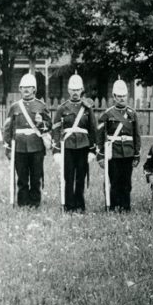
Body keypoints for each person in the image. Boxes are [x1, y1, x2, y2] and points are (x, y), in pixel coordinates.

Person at [4, 73, 52, 208]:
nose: (26, 90)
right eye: (23, 87)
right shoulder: (15, 107)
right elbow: (8, 128)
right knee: (22, 177)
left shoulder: (41, 106)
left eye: (29, 87)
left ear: (34, 89)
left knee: (36, 177)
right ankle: (23, 203)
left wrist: (40, 122)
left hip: (36, 146)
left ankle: (35, 203)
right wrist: (8, 147)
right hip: (19, 147)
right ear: (19, 89)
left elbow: (49, 126)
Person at [51, 74, 96, 212]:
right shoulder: (62, 108)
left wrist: (92, 150)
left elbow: (92, 129)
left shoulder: (87, 108)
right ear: (68, 90)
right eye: (72, 89)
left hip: (83, 146)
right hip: (68, 146)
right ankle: (69, 205)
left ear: (82, 89)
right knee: (68, 177)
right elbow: (56, 130)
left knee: (81, 177)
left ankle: (80, 205)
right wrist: (56, 150)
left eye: (77, 90)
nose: (75, 92)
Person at [95, 79, 141, 212]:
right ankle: (113, 205)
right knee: (114, 181)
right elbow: (100, 136)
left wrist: (136, 154)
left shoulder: (132, 114)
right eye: (119, 96)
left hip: (127, 152)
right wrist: (100, 155)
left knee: (126, 182)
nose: (122, 99)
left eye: (124, 96)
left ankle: (125, 206)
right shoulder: (107, 114)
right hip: (113, 153)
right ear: (114, 97)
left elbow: (136, 135)